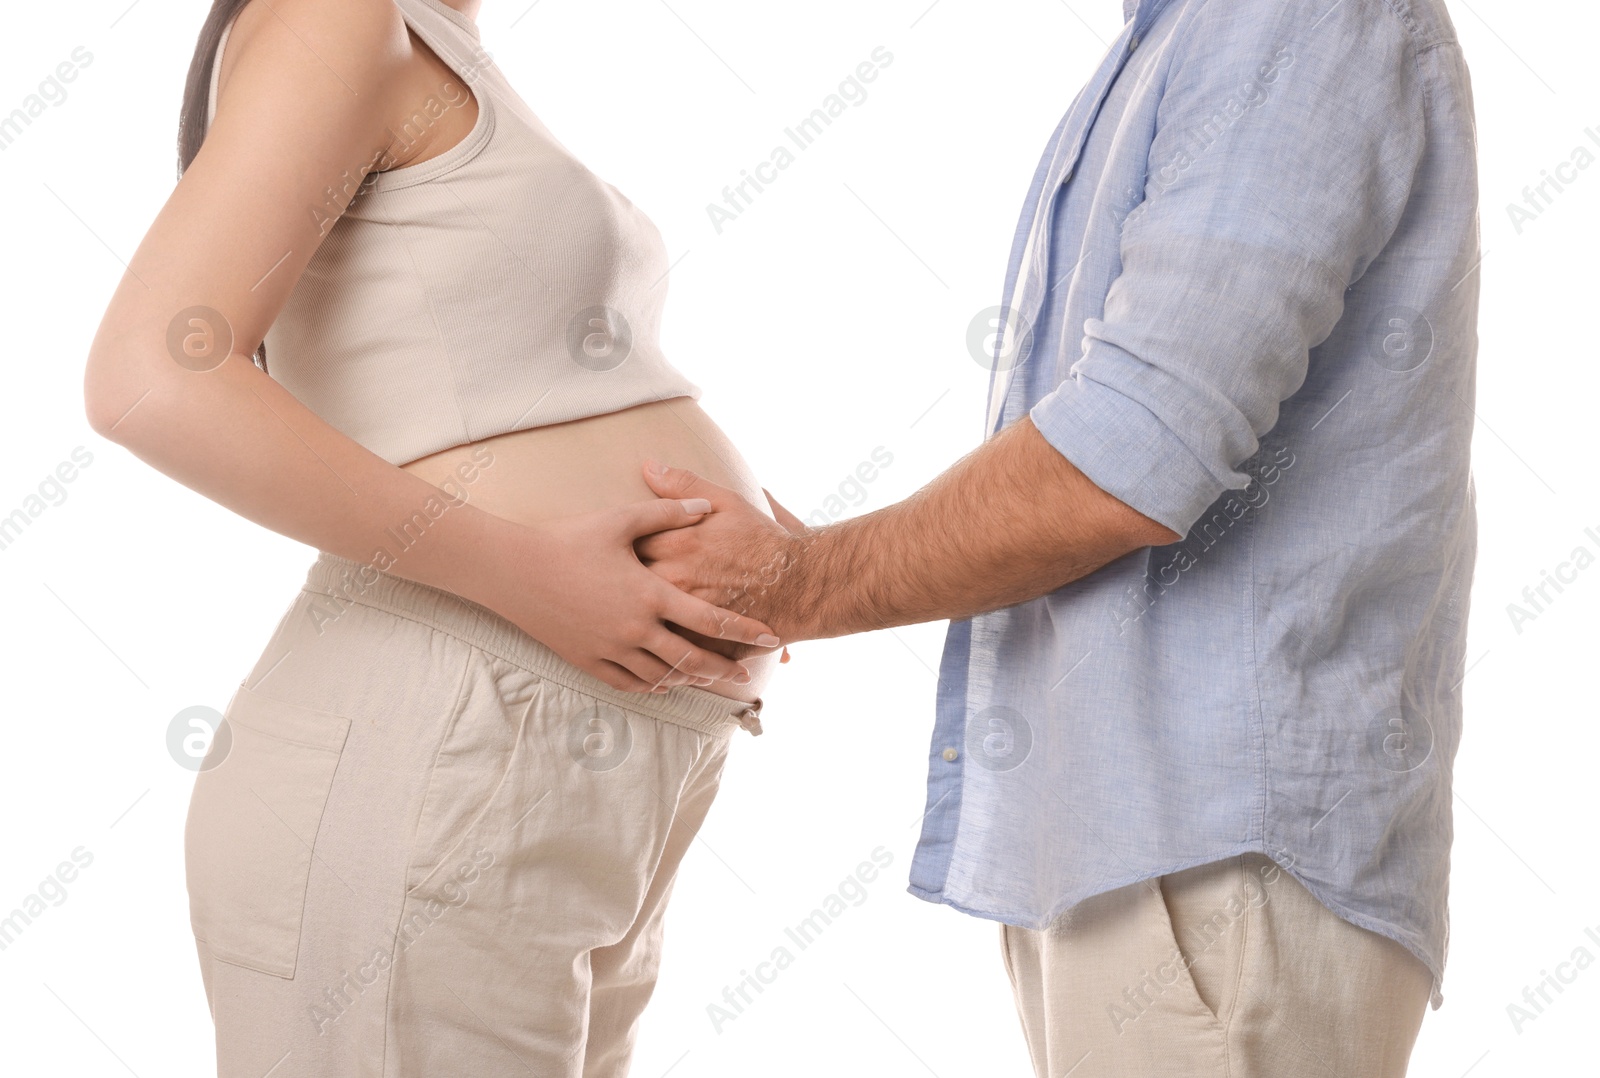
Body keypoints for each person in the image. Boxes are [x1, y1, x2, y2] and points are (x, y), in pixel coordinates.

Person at [637, 0, 1479, 1073]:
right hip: (1143, 851)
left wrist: (794, 582)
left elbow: (1135, 451)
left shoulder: (1291, 16)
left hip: (1220, 861)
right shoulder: (1178, 36)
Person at [81, 0, 786, 1074]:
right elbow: (150, 375)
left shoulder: (439, 44)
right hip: (442, 736)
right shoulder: (338, 16)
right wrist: (530, 574)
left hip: (569, 766)